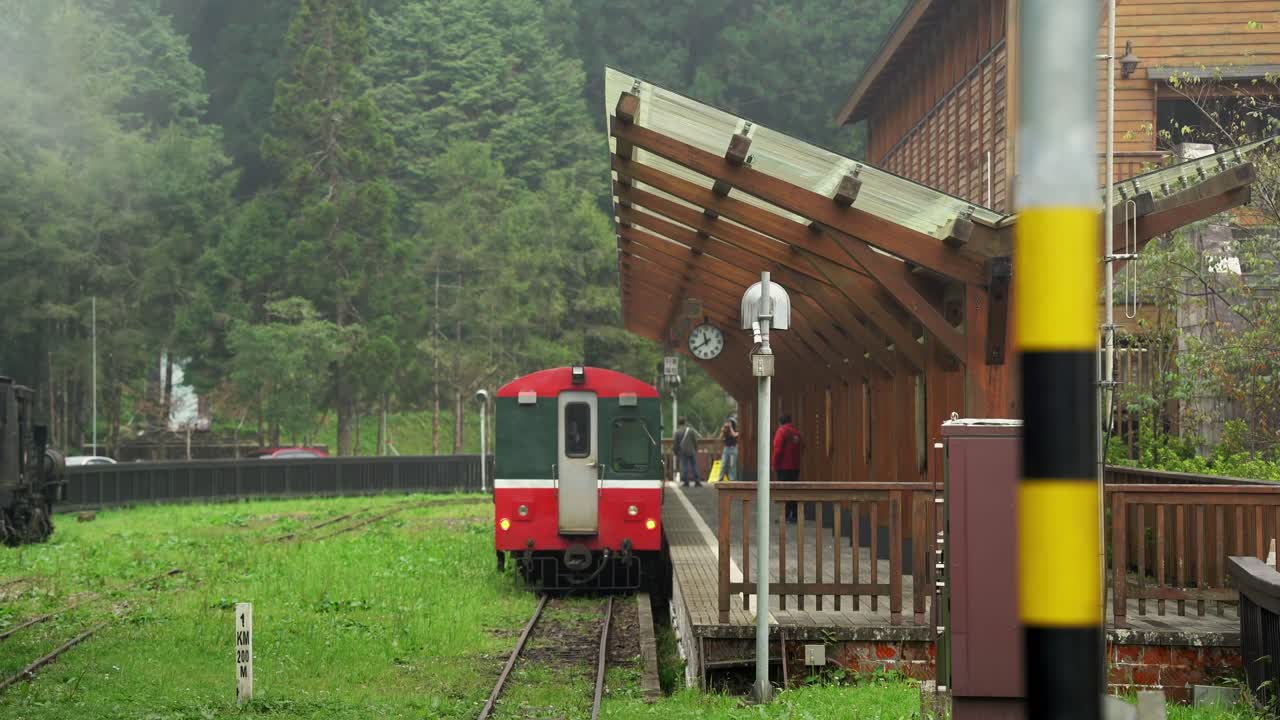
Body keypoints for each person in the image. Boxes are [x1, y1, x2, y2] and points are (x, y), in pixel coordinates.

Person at [772, 414, 804, 522]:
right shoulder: (796, 433)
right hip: (795, 466)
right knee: (793, 490)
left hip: (784, 467)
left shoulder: (781, 431)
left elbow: (777, 450)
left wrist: (774, 464)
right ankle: (794, 515)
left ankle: (784, 516)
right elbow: (802, 447)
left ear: (780, 422)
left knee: (784, 491)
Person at [674, 417, 702, 487]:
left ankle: (686, 482)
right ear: (685, 422)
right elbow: (695, 441)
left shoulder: (677, 432)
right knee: (694, 465)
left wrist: (675, 452)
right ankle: (697, 481)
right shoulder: (690, 431)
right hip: (691, 450)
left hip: (683, 451)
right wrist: (696, 449)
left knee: (684, 466)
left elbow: (676, 443)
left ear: (678, 423)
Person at [719, 415, 739, 481]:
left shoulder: (736, 430)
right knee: (723, 464)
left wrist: (730, 428)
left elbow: (734, 435)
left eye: (731, 422)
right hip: (726, 448)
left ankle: (732, 479)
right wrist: (723, 430)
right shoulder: (726, 430)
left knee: (732, 465)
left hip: (733, 449)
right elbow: (720, 438)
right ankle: (720, 478)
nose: (729, 424)